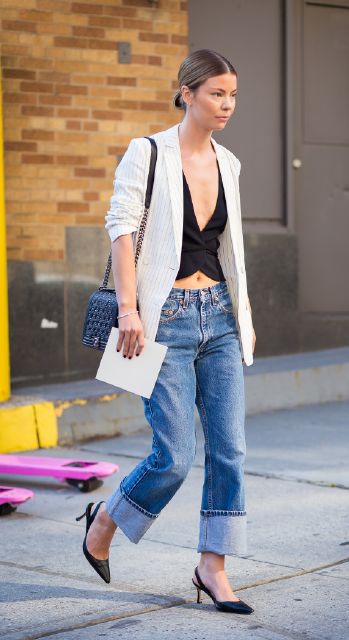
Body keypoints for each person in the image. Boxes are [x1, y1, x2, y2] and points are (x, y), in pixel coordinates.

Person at [76, 49, 256, 615]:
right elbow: (122, 227)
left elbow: (229, 249)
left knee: (230, 450)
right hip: (165, 318)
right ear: (186, 91)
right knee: (174, 456)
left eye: (232, 95)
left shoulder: (229, 163)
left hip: (220, 315)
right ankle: (105, 519)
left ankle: (213, 566)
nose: (226, 105)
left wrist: (243, 316)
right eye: (216, 94)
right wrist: (128, 309)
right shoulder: (147, 152)